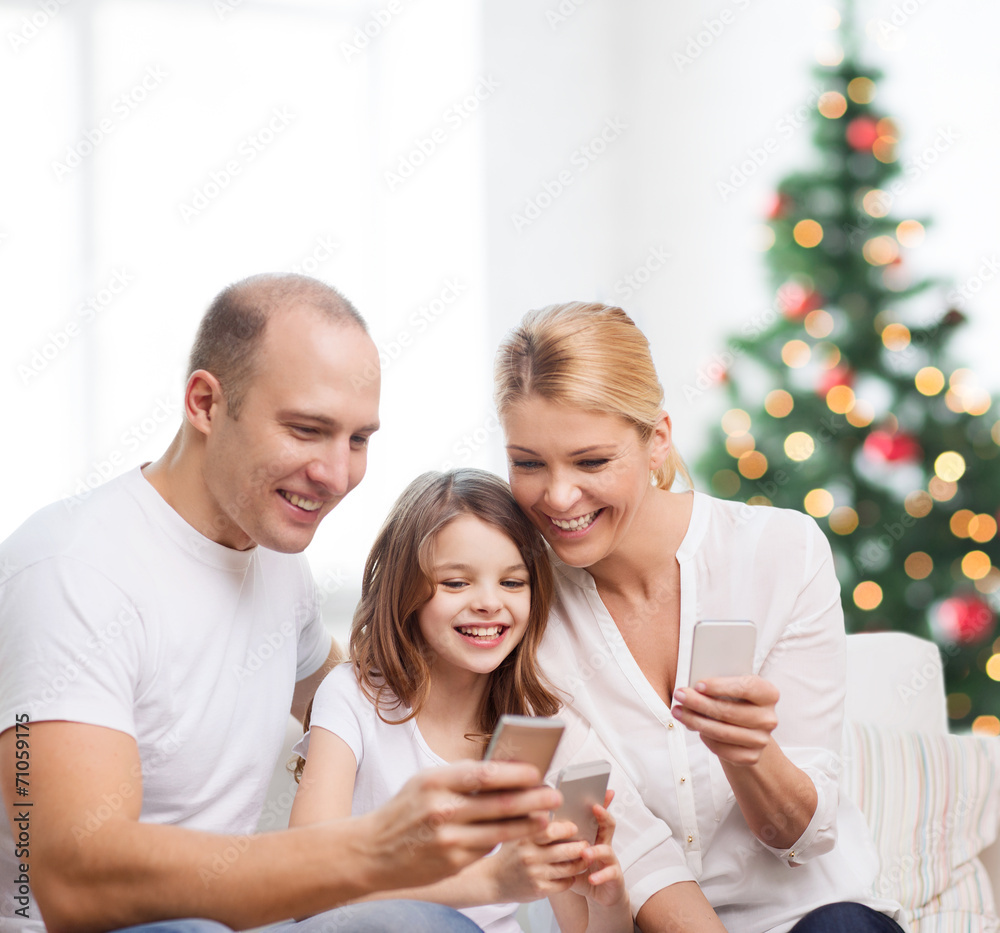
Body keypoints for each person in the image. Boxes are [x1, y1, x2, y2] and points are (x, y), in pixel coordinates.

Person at [0, 274, 562, 933]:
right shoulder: (72, 568)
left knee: (425, 922)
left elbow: (359, 689)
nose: (335, 473)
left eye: (357, 439)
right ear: (207, 403)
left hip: (239, 924)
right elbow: (74, 878)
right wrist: (375, 847)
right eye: (306, 429)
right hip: (118, 927)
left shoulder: (275, 559)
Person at [492, 301, 906, 933]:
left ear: (657, 440)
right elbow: (624, 846)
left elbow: (803, 835)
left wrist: (748, 756)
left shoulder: (781, 553)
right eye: (528, 463)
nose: (558, 496)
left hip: (811, 916)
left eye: (592, 461)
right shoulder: (519, 611)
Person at [289, 468, 633, 933]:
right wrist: (487, 881)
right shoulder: (352, 696)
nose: (490, 603)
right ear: (404, 590)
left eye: (513, 583)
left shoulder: (536, 725)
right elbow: (307, 887)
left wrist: (608, 904)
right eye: (456, 583)